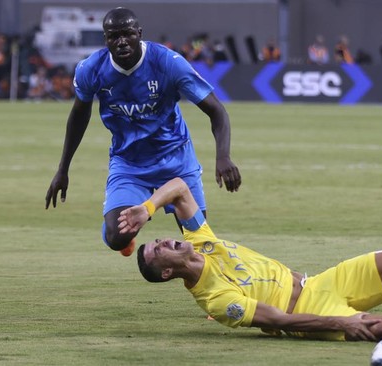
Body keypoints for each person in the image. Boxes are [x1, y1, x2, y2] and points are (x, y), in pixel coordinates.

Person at [121, 177, 382, 348]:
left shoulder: (202, 241)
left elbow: (178, 188)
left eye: (159, 238)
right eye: (159, 249)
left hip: (321, 282)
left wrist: (144, 208)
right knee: (379, 327)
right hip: (310, 311)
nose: (164, 239)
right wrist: (339, 324)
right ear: (166, 272)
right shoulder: (217, 301)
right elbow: (279, 321)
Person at [45, 7, 241, 257]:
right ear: (106, 39)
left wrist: (223, 156)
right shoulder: (91, 69)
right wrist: (63, 169)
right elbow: (79, 115)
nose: (121, 41)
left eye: (127, 34)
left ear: (139, 33)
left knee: (198, 247)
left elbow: (217, 111)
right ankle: (129, 226)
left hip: (176, 161)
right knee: (117, 237)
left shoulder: (168, 63)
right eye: (113, 36)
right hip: (129, 164)